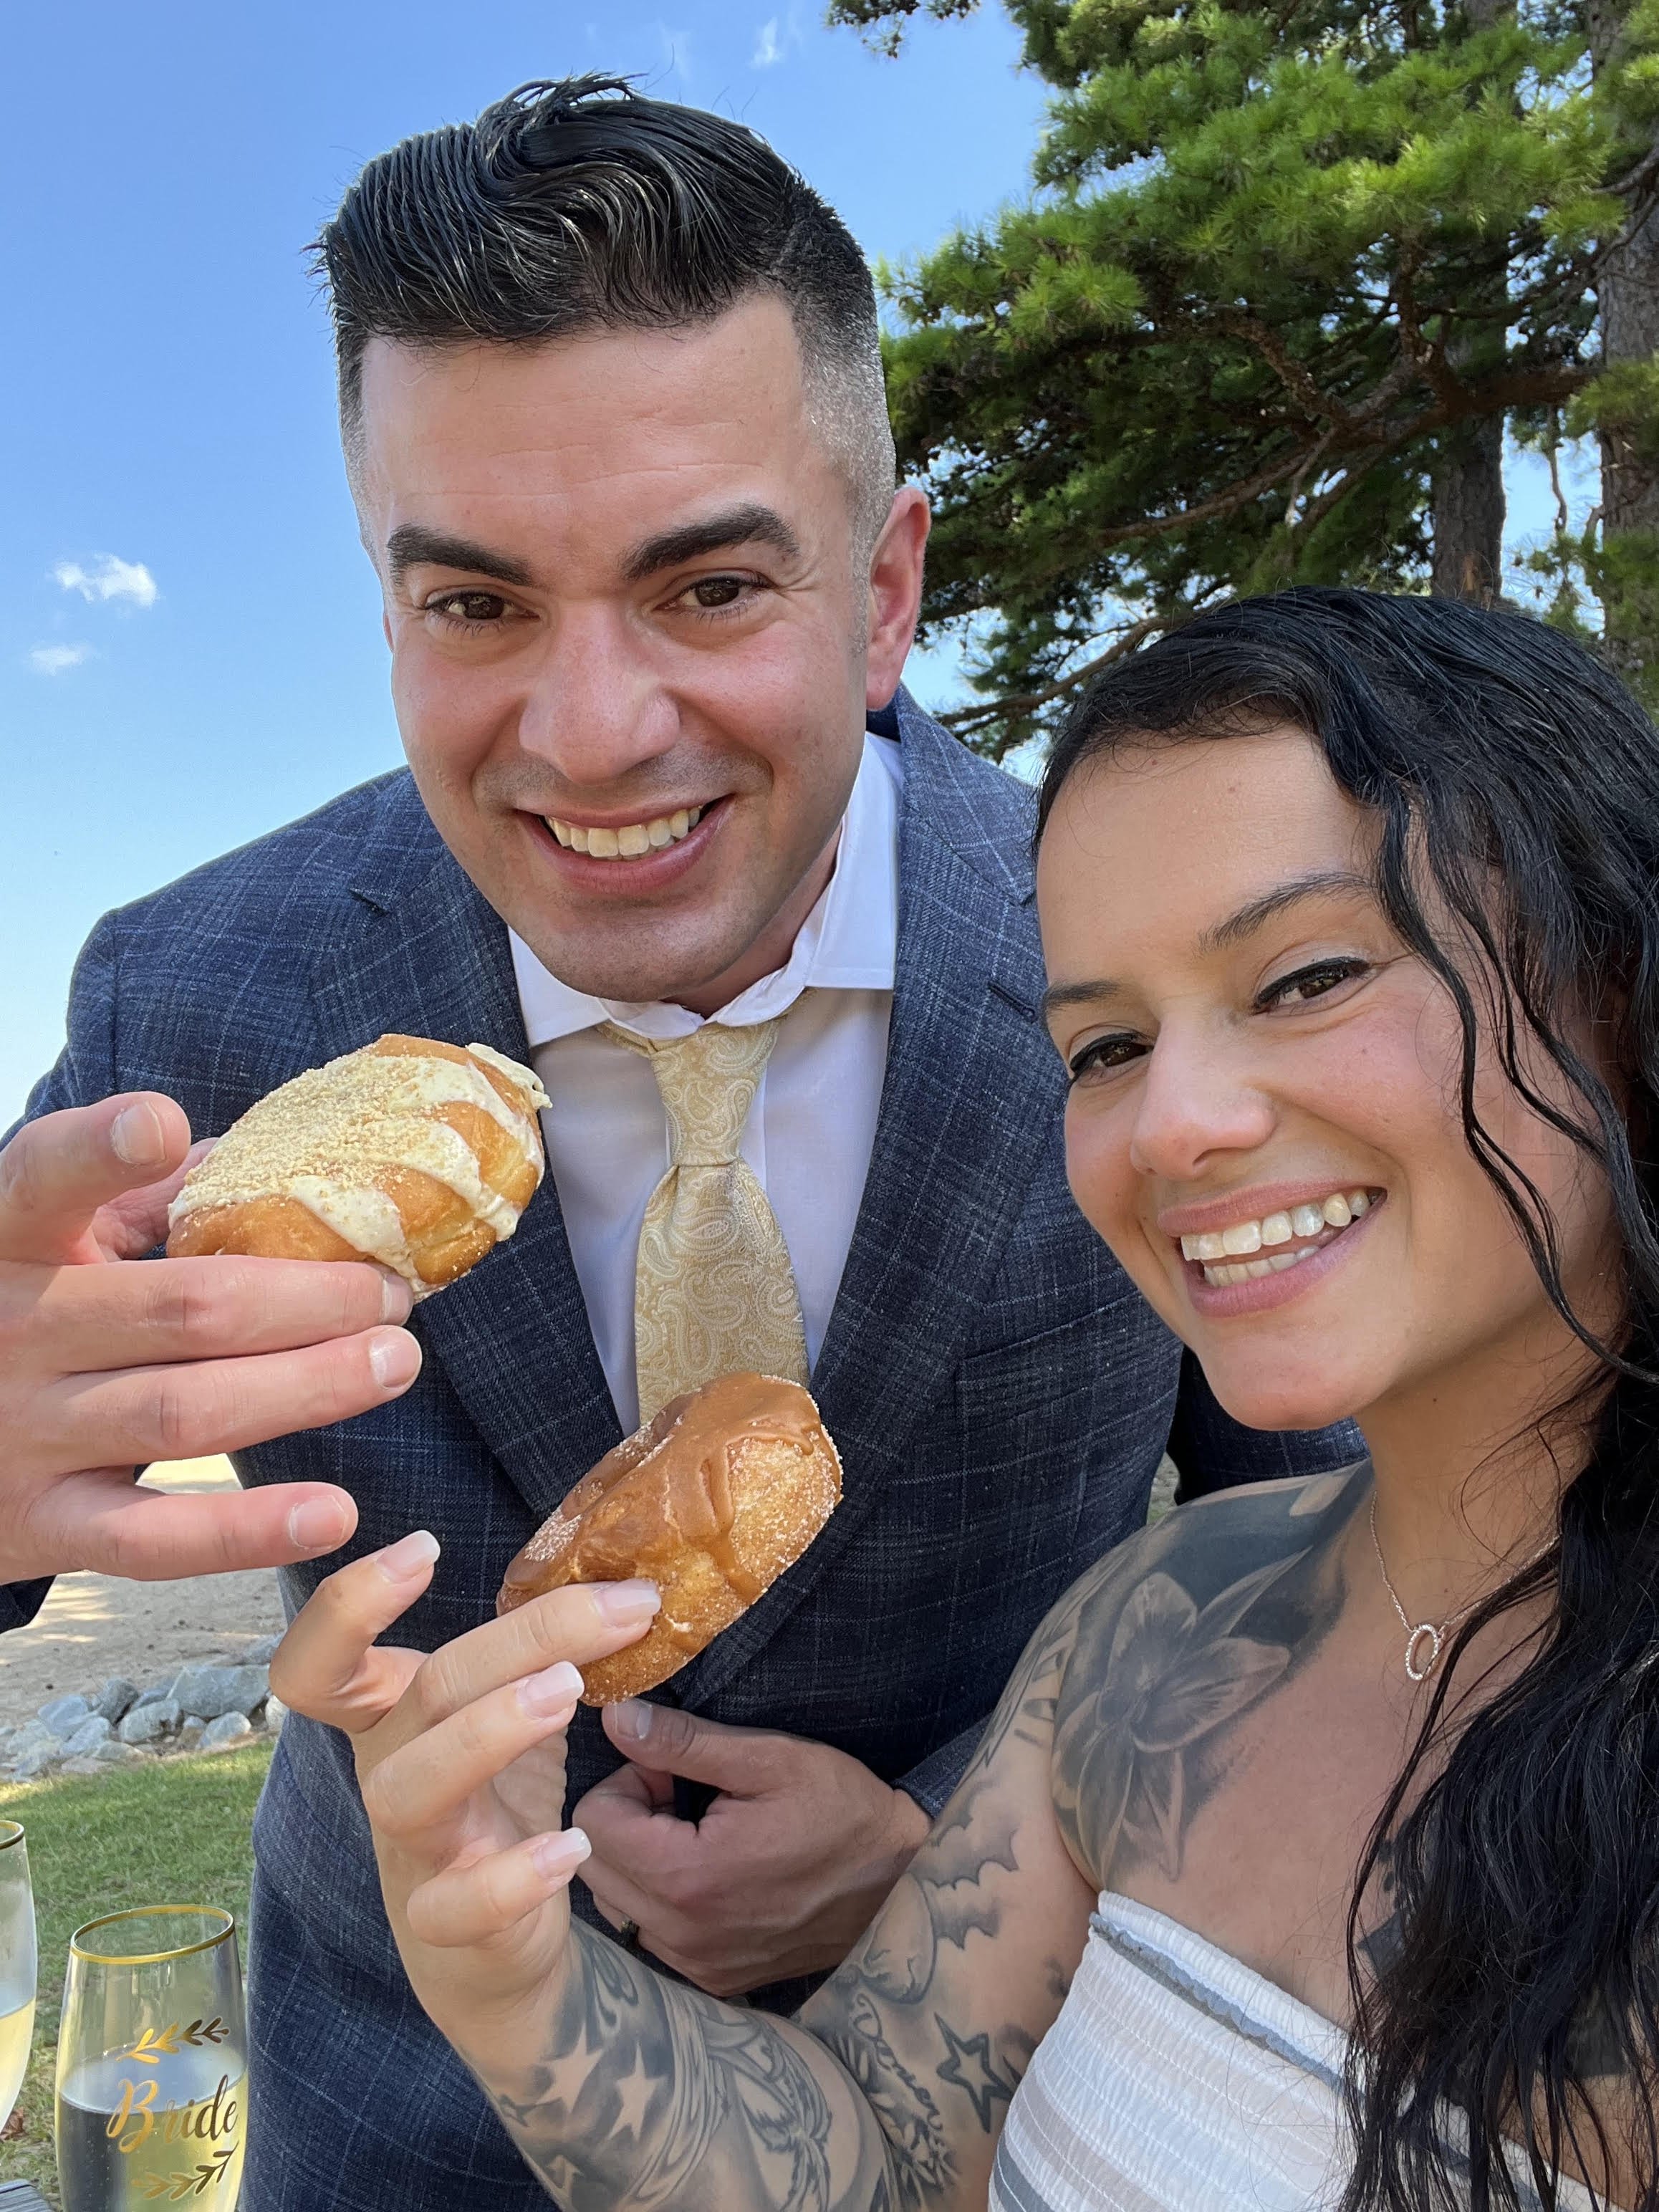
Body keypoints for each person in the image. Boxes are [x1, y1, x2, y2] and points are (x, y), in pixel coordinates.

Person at [0, 80, 1354, 2211]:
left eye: (708, 588)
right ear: (385, 605)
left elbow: (1352, 1590)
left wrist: (950, 1865)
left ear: (888, 586)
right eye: (474, 608)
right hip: (396, 2134)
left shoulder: (1145, 959)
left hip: (999, 2124)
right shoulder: (190, 1005)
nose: (592, 729)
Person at [279, 586, 1659, 2212]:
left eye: (1305, 977)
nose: (1176, 1123)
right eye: (1106, 1046)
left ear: (1615, 981)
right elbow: (870, 2148)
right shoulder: (1155, 1622)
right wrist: (512, 1973)